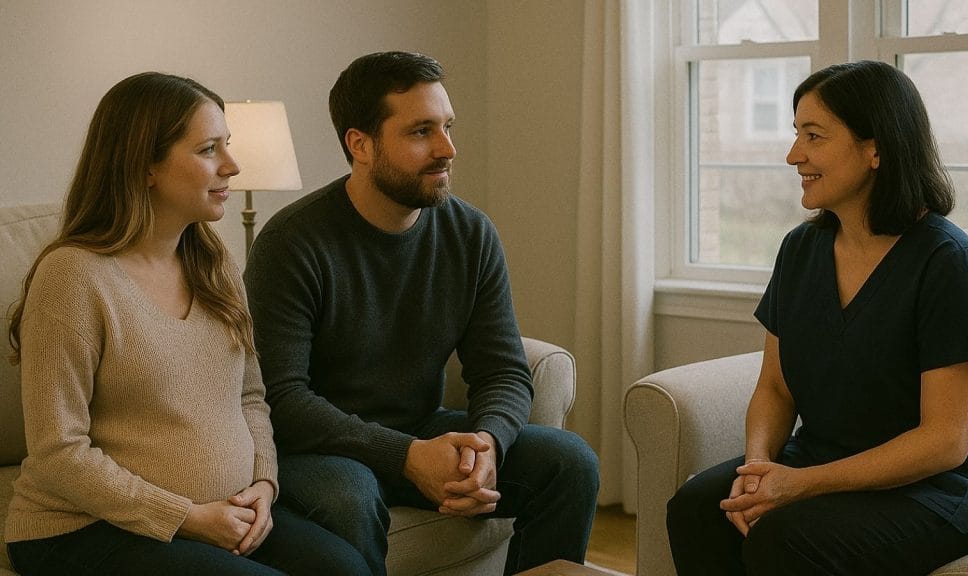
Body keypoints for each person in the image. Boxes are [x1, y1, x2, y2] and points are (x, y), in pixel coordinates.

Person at [243, 51, 599, 576]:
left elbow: (502, 369)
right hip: (319, 448)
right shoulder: (293, 242)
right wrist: (408, 456)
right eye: (421, 132)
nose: (447, 149)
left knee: (569, 462)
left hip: (422, 429)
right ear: (360, 144)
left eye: (448, 127)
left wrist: (486, 445)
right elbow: (283, 399)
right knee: (350, 495)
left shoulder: (470, 233)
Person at [4, 72, 370, 576]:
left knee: (346, 568)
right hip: (84, 528)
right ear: (146, 165)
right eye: (207, 149)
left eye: (228, 146)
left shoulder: (212, 262)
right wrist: (187, 517)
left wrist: (264, 485)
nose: (232, 165)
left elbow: (251, 396)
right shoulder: (73, 277)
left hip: (223, 514)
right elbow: (57, 453)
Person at [666, 60, 968, 575]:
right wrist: (758, 467)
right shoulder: (801, 249)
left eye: (814, 136)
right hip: (820, 460)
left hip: (939, 489)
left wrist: (799, 484)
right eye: (795, 133)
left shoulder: (947, 262)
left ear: (876, 148)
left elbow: (945, 442)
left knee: (786, 539)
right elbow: (776, 388)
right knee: (697, 508)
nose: (793, 155)